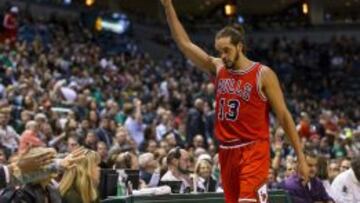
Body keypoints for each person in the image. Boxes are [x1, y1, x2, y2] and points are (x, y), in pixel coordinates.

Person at [160, 0, 309, 202]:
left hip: (254, 149)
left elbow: (283, 116)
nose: (222, 55)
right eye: (219, 50)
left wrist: (300, 156)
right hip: (227, 151)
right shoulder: (219, 67)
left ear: (240, 46)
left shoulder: (263, 74)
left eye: (226, 50)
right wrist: (168, 6)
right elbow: (185, 44)